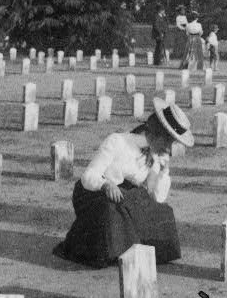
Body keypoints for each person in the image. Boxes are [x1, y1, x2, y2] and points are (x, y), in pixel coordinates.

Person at [55, 100, 195, 268]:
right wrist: (106, 185)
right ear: (158, 135)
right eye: (168, 143)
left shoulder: (154, 156)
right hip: (93, 194)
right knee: (113, 209)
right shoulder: (117, 142)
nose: (170, 150)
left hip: (124, 196)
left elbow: (157, 198)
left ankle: (134, 249)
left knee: (162, 212)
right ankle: (115, 251)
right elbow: (88, 176)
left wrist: (164, 171)